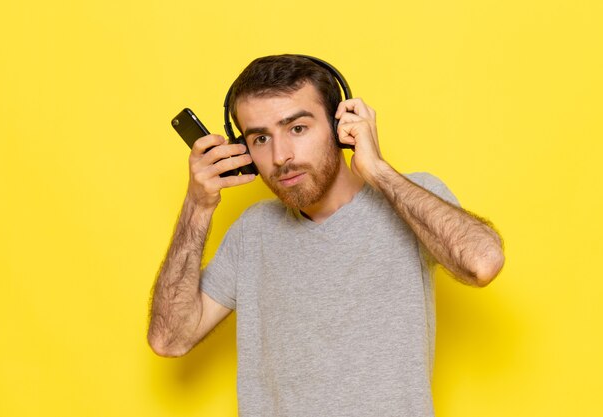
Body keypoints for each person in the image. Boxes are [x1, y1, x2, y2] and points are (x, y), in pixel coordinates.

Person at [148, 54, 504, 417]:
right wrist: (197, 206)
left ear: (339, 125)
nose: (280, 156)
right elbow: (168, 338)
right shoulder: (252, 232)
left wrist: (378, 171)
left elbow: (483, 262)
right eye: (260, 138)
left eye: (297, 128)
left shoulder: (412, 198)